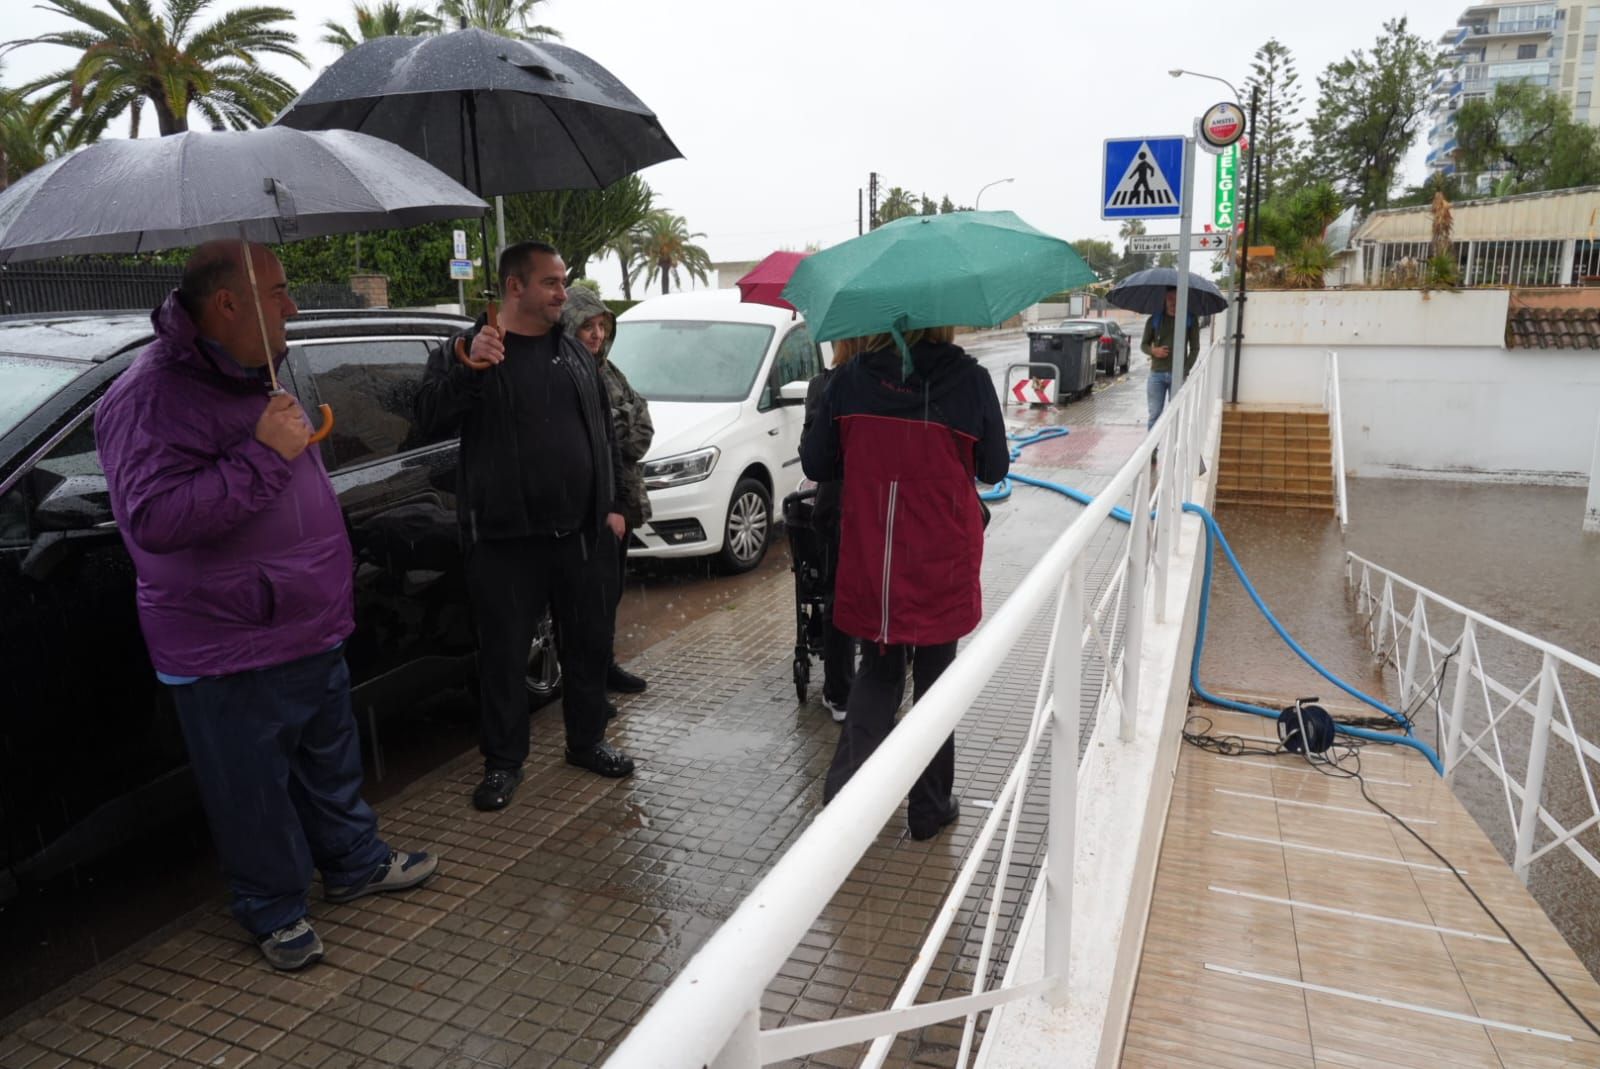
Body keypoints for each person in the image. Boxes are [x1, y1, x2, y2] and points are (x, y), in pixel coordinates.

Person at [95, 241, 437, 972]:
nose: (293, 305)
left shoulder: (255, 375)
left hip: (308, 619)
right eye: (278, 290)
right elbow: (152, 520)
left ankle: (353, 862)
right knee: (250, 790)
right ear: (227, 303)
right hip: (230, 641)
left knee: (328, 762)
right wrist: (262, 453)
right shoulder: (147, 396)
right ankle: (274, 907)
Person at [414, 241, 635, 813]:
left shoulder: (576, 353)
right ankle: (503, 764)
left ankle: (586, 741)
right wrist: (469, 368)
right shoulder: (470, 348)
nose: (564, 293)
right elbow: (427, 417)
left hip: (582, 535)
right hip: (505, 541)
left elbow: (604, 433)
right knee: (505, 657)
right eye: (551, 283)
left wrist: (613, 506)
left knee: (587, 647)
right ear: (515, 287)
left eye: (563, 281)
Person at [801, 326, 1008, 840]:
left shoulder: (848, 381)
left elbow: (816, 463)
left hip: (876, 549)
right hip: (942, 553)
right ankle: (929, 808)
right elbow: (995, 466)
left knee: (879, 670)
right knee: (938, 681)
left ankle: (844, 808)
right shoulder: (972, 380)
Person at [560, 286, 653, 696]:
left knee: (612, 593)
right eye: (587, 327)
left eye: (601, 326)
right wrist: (619, 424)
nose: (597, 335)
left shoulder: (610, 371)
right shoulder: (565, 372)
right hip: (590, 506)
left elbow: (640, 428)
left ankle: (606, 667)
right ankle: (587, 686)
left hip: (623, 501)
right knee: (586, 605)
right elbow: (594, 437)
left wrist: (620, 424)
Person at [801, 337, 861, 722]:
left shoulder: (826, 385)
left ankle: (839, 691)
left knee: (839, 593)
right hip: (880, 504)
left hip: (838, 505)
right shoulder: (895, 380)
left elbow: (813, 461)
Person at [1141, 287, 1200, 430]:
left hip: (1177, 375)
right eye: (1170, 299)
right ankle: (1153, 451)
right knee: (1154, 414)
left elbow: (1195, 348)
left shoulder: (1190, 319)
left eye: (1177, 299)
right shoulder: (1154, 319)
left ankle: (1175, 450)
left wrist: (1185, 370)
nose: (1174, 303)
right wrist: (1154, 351)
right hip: (1157, 375)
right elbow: (1144, 345)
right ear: (1165, 299)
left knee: (1177, 414)